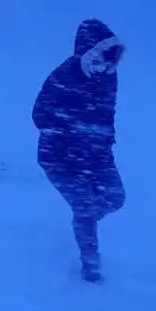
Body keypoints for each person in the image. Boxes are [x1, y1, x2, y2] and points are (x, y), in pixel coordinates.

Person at [32, 19, 126, 283]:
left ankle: (82, 219)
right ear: (87, 52)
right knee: (84, 206)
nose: (105, 67)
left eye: (111, 61)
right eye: (100, 59)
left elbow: (108, 114)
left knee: (116, 198)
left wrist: (103, 143)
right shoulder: (63, 76)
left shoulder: (108, 75)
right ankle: (90, 266)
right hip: (58, 157)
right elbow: (39, 115)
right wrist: (71, 132)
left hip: (97, 155)